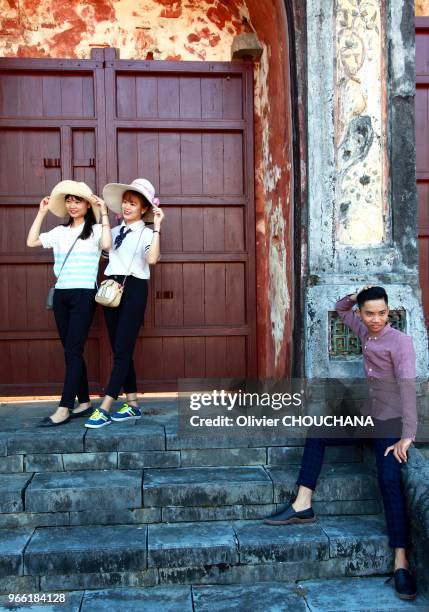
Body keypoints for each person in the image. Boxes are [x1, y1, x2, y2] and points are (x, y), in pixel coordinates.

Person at [263, 286, 418, 601]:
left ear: (389, 312)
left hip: (390, 425)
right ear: (363, 313)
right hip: (367, 419)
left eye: (382, 313)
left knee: (389, 480)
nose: (376, 319)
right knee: (318, 430)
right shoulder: (365, 329)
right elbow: (341, 308)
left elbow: (407, 389)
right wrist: (355, 293)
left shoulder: (400, 343)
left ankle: (401, 561)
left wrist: (408, 436)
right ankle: (302, 504)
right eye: (370, 313)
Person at [26, 180, 112, 426]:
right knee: (71, 351)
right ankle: (83, 402)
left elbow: (106, 245)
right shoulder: (60, 232)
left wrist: (103, 212)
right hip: (62, 295)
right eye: (69, 201)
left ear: (87, 204)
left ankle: (64, 407)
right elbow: (31, 241)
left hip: (84, 294)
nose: (72, 205)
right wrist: (41, 213)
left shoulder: (95, 231)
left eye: (78, 200)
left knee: (73, 351)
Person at [85, 178, 165, 428]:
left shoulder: (147, 232)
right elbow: (105, 248)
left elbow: (152, 260)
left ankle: (106, 407)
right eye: (125, 203)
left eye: (133, 203)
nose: (127, 207)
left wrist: (158, 227)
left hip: (133, 289)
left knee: (121, 350)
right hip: (111, 289)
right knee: (121, 350)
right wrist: (104, 216)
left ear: (144, 209)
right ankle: (133, 405)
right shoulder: (116, 231)